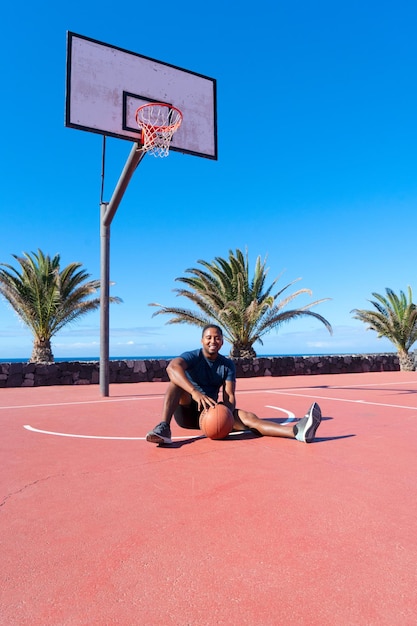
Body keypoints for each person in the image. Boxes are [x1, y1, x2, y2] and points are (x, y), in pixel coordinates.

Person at [146, 324, 322, 445]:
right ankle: (164, 427)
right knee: (175, 383)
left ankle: (297, 431)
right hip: (186, 412)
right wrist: (195, 393)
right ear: (202, 341)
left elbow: (229, 395)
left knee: (248, 417)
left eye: (217, 338)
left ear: (222, 341)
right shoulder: (192, 356)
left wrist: (225, 415)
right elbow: (172, 367)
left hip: (209, 413)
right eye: (208, 338)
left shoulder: (227, 364)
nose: (212, 341)